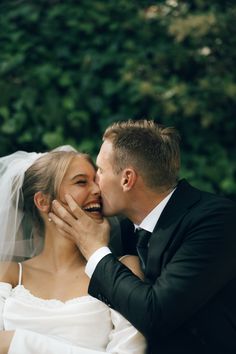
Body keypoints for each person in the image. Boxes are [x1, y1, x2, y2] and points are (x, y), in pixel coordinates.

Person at [49, 120, 236, 354]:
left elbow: (156, 315)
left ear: (127, 179)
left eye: (100, 171)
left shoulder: (216, 220)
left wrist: (94, 248)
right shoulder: (125, 230)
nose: (95, 183)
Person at [0, 146, 146, 354]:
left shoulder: (123, 269)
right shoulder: (8, 274)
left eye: (96, 180)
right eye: (81, 182)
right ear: (43, 201)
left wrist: (16, 342)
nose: (97, 190)